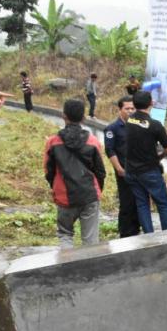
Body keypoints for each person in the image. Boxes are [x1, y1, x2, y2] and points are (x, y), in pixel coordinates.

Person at [44, 99, 107, 248]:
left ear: (63, 116)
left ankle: (68, 268)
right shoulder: (93, 141)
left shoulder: (53, 142)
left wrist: (56, 188)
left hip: (64, 197)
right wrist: (97, 190)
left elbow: (48, 171)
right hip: (89, 195)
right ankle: (90, 269)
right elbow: (100, 171)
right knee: (90, 240)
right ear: (83, 118)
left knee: (65, 234)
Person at [124, 90, 167, 233]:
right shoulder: (155, 125)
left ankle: (148, 236)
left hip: (131, 171)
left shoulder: (128, 121)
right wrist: (159, 157)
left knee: (142, 204)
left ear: (134, 104)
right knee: (163, 204)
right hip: (149, 171)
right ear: (151, 103)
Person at [103, 95, 142, 238]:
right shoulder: (112, 128)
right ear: (120, 110)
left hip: (139, 170)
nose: (130, 111)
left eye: (133, 108)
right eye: (127, 108)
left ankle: (136, 228)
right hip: (124, 170)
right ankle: (125, 231)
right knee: (126, 201)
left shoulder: (138, 125)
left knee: (139, 200)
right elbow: (110, 150)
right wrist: (119, 168)